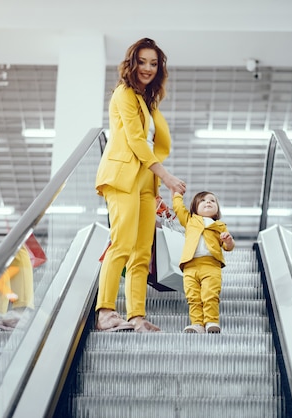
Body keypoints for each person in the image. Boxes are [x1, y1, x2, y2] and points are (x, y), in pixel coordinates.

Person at [95, 38, 186, 333]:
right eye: (143, 61)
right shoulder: (123, 93)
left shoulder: (149, 104)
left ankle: (136, 315)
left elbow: (152, 144)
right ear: (132, 64)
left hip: (146, 182)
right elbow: (135, 141)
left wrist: (157, 184)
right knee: (121, 244)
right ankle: (106, 311)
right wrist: (169, 177)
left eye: (154, 63)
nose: (147, 68)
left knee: (142, 253)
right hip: (122, 178)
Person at [172, 191, 235, 334]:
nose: (208, 202)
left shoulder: (219, 226)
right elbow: (179, 208)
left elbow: (228, 247)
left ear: (217, 209)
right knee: (192, 296)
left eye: (212, 201)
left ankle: (211, 321)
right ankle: (197, 324)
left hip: (211, 265)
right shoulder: (190, 220)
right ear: (194, 207)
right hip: (190, 266)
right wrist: (176, 194)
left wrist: (228, 241)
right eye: (203, 201)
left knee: (210, 294)